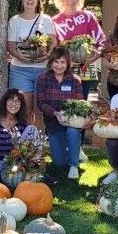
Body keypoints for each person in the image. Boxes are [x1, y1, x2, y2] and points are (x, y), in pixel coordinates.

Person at [7, 0, 55, 126]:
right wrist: (18, 54)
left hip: (42, 70)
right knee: (24, 110)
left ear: (38, 0)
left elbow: (52, 41)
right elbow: (10, 44)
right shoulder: (14, 20)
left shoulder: (46, 20)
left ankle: (39, 146)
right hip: (20, 71)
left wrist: (48, 54)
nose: (29, 0)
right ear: (22, 0)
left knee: (40, 110)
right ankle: (24, 146)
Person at [36, 47, 86, 181]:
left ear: (68, 63)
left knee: (73, 131)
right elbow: (41, 103)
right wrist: (55, 113)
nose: (59, 66)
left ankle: (74, 165)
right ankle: (74, 152)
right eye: (56, 62)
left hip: (71, 121)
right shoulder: (43, 78)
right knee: (59, 163)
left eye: (63, 62)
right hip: (53, 122)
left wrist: (68, 116)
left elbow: (80, 104)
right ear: (51, 62)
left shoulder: (75, 80)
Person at [51, 0, 105, 101]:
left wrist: (99, 53)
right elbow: (53, 47)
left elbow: (101, 38)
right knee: (64, 102)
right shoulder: (54, 21)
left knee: (82, 102)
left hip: (85, 66)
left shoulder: (87, 17)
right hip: (63, 68)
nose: (71, 0)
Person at [0, 89, 34, 183]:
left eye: (17, 101)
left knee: (33, 129)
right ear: (5, 102)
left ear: (21, 105)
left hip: (13, 163)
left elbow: (27, 148)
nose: (14, 104)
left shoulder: (22, 124)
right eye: (11, 100)